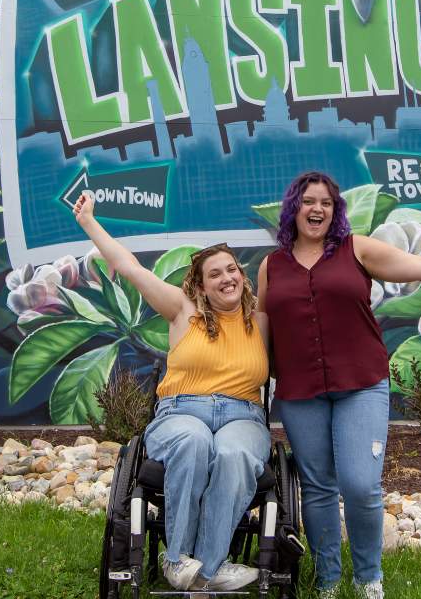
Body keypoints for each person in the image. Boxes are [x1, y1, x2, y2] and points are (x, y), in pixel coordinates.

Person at [257, 171, 421, 599]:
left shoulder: (355, 249)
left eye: (327, 202)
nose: (318, 209)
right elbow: (261, 326)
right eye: (309, 201)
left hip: (361, 383)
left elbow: (420, 265)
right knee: (318, 486)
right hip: (300, 390)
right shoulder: (271, 266)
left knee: (361, 485)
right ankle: (327, 580)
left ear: (335, 210)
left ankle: (368, 578)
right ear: (294, 207)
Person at [73, 193, 270, 592]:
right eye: (215, 274)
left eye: (232, 269)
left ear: (243, 276)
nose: (227, 278)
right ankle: (178, 559)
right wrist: (89, 222)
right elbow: (128, 266)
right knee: (194, 441)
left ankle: (210, 569)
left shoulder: (261, 321)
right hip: (182, 412)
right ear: (199, 285)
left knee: (233, 453)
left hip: (243, 415)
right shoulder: (183, 310)